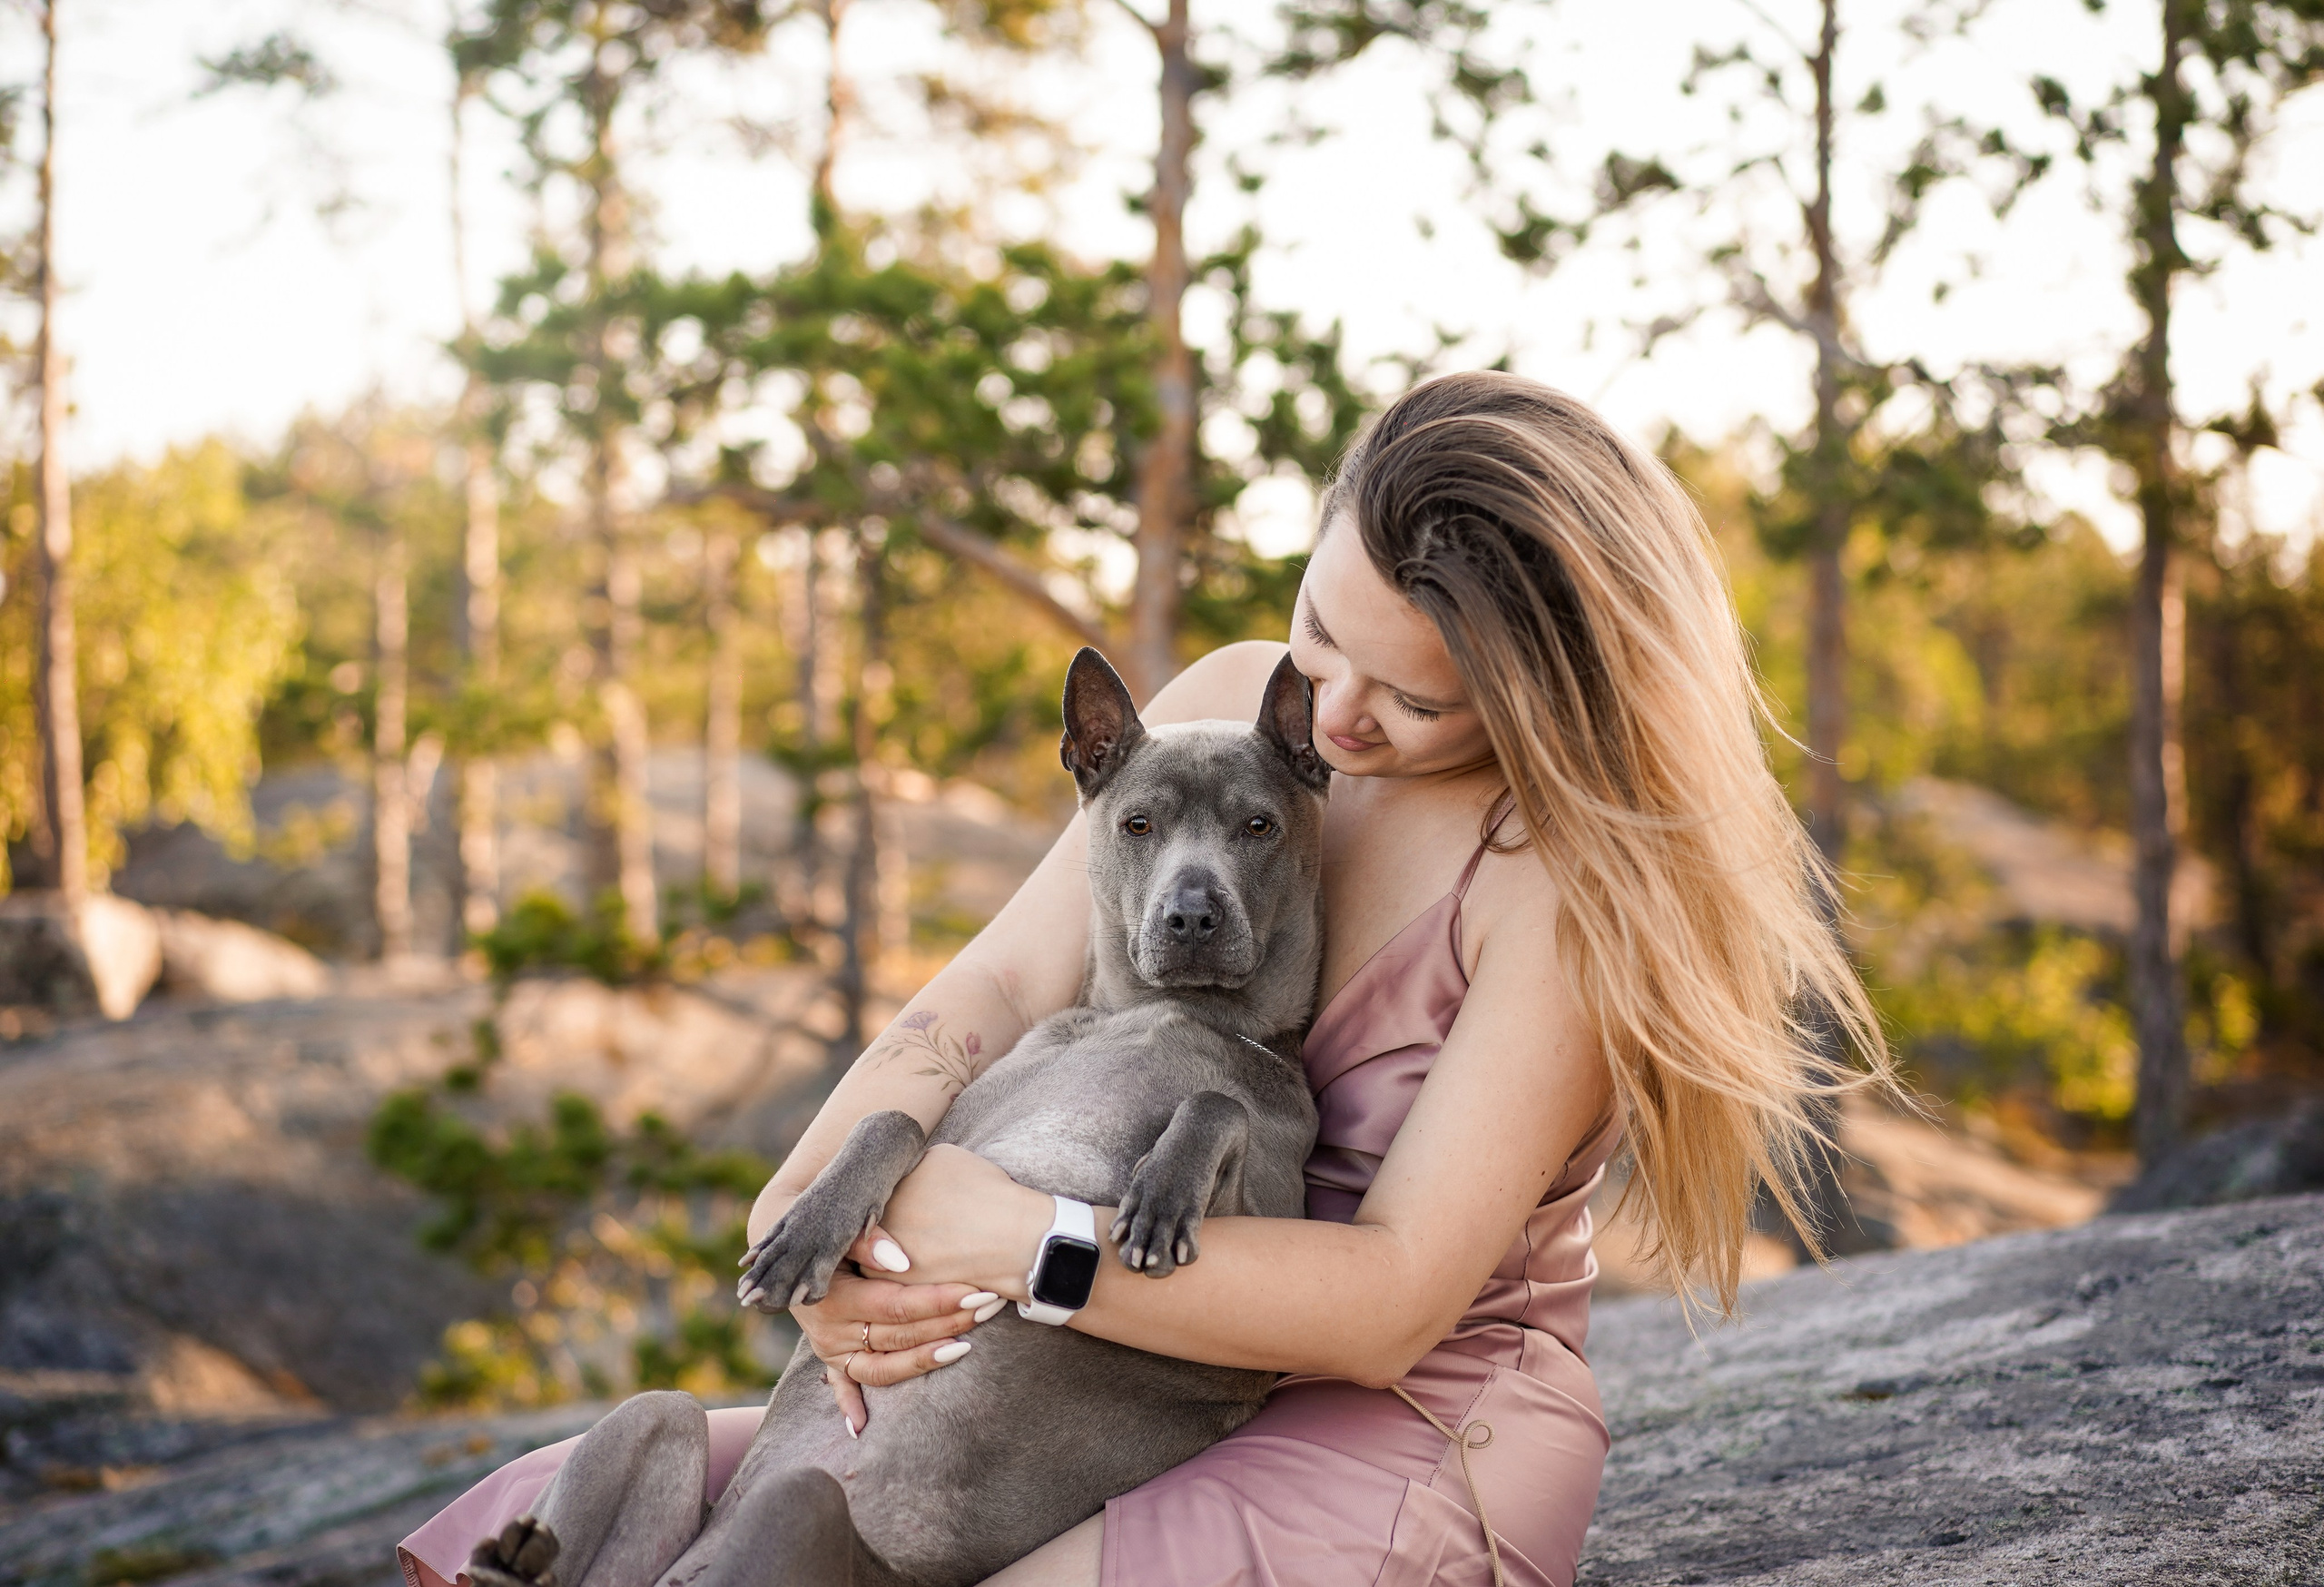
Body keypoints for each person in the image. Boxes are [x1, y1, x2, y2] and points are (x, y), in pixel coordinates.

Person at [399, 371, 1886, 1587]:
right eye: (1320, 630)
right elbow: (977, 1001)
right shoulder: (1229, 711)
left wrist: (1022, 1244)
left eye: (1418, 695)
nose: (1340, 713)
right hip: (1085, 1378)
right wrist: (822, 1238)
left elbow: (1382, 1306)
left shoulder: (1561, 891)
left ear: (1542, 687)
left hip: (1380, 1425)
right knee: (557, 1511)